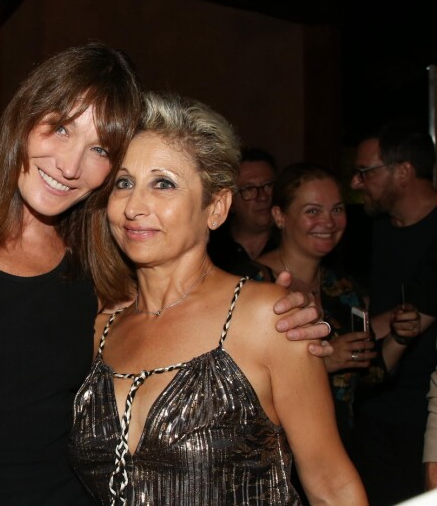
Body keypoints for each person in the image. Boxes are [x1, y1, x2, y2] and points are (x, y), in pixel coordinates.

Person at [0, 44, 328, 505]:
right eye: (60, 128)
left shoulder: (99, 264)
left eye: (99, 148)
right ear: (25, 115)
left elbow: (183, 321)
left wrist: (286, 320)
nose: (69, 165)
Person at [68, 92, 367, 505]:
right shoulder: (101, 325)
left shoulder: (270, 319)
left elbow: (332, 486)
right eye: (124, 183)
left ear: (217, 206)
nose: (134, 206)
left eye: (163, 184)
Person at [248, 162, 419, 454]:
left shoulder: (341, 288)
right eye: (312, 211)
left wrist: (400, 338)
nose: (329, 222)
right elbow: (237, 383)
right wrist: (325, 363)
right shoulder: (254, 285)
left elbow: (368, 375)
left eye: (337, 209)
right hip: (273, 460)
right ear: (280, 216)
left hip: (339, 451)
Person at [350, 122, 437, 504]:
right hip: (370, 404)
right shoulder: (373, 228)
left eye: (366, 172)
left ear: (403, 172)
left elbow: (411, 314)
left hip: (422, 414)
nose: (355, 183)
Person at [207, 146, 278, 274]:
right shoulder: (210, 247)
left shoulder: (293, 243)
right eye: (249, 189)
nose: (262, 197)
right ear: (228, 201)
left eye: (268, 186)